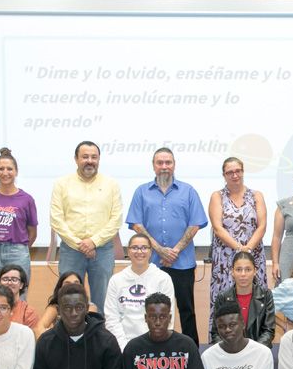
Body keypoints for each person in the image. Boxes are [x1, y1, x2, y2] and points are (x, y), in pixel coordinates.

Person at [126, 147, 208, 347]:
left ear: (174, 165)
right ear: (153, 166)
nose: (164, 167)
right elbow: (136, 224)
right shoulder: (141, 192)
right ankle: (151, 350)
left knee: (186, 310)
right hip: (151, 264)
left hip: (182, 264)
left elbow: (195, 223)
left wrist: (175, 250)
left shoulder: (188, 191)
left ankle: (192, 353)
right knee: (152, 310)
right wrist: (160, 249)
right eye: (160, 163)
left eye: (168, 162)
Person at [50, 140, 124, 313]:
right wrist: (80, 244)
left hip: (103, 250)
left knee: (103, 299)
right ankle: (69, 338)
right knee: (68, 297)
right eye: (85, 157)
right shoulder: (61, 184)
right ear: (76, 159)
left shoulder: (111, 184)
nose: (90, 161)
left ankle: (99, 338)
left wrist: (93, 242)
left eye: (94, 157)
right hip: (71, 250)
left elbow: (116, 220)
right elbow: (56, 219)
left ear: (99, 160)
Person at [207, 157, 268, 328]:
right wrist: (240, 250)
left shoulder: (256, 195)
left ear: (242, 172)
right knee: (225, 305)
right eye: (230, 172)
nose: (234, 175)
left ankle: (256, 344)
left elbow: (262, 226)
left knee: (255, 303)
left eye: (238, 171)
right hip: (225, 261)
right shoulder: (217, 196)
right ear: (224, 175)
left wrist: (247, 250)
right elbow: (218, 228)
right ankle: (222, 345)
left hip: (253, 256)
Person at [0, 147, 38, 292]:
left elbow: (32, 233)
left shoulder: (27, 200)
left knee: (18, 299)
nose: (5, 173)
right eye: (1, 169)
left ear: (16, 171)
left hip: (17, 253)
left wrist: (19, 250)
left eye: (9, 169)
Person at [103, 232, 175, 348]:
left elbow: (167, 318)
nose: (139, 252)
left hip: (154, 344)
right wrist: (124, 347)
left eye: (144, 248)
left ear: (151, 251)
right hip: (122, 344)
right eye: (135, 248)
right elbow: (111, 318)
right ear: (128, 251)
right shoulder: (116, 280)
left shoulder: (163, 279)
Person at [209, 251, 276, 349]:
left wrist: (252, 351)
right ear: (232, 271)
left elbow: (268, 331)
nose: (243, 274)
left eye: (248, 269)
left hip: (258, 352)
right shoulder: (222, 297)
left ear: (255, 271)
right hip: (231, 353)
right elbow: (216, 333)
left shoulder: (266, 295)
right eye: (239, 269)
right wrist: (230, 351)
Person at [35, 271, 97, 338]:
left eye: (76, 283)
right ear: (60, 288)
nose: (72, 287)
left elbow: (93, 330)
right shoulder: (55, 307)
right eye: (67, 284)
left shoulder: (90, 307)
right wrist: (48, 343)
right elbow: (39, 328)